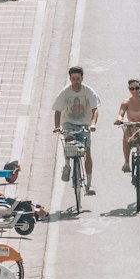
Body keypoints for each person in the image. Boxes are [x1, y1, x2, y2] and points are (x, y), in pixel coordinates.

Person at [53, 66, 100, 194]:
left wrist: (93, 123)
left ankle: (89, 185)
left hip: (84, 123)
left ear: (82, 78)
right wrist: (58, 126)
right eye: (73, 79)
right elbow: (58, 110)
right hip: (69, 122)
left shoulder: (88, 91)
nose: (75, 81)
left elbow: (95, 109)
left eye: (78, 78)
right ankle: (67, 165)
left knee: (87, 151)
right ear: (70, 78)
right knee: (68, 142)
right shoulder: (65, 92)